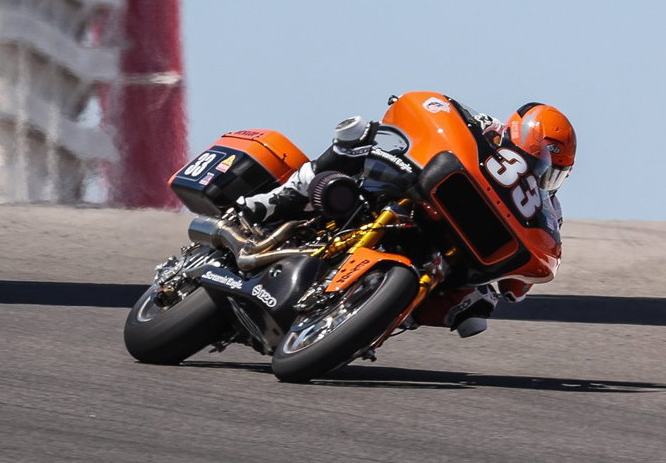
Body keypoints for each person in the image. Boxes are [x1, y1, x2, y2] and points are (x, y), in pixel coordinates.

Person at [236, 100, 577, 338]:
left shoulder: (550, 211)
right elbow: (434, 115)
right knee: (360, 142)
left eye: (554, 174)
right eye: (537, 162)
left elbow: (519, 287)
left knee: (475, 311)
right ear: (514, 136)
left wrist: (517, 281)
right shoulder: (486, 127)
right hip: (417, 191)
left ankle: (373, 317)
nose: (539, 177)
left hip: (451, 243)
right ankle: (270, 203)